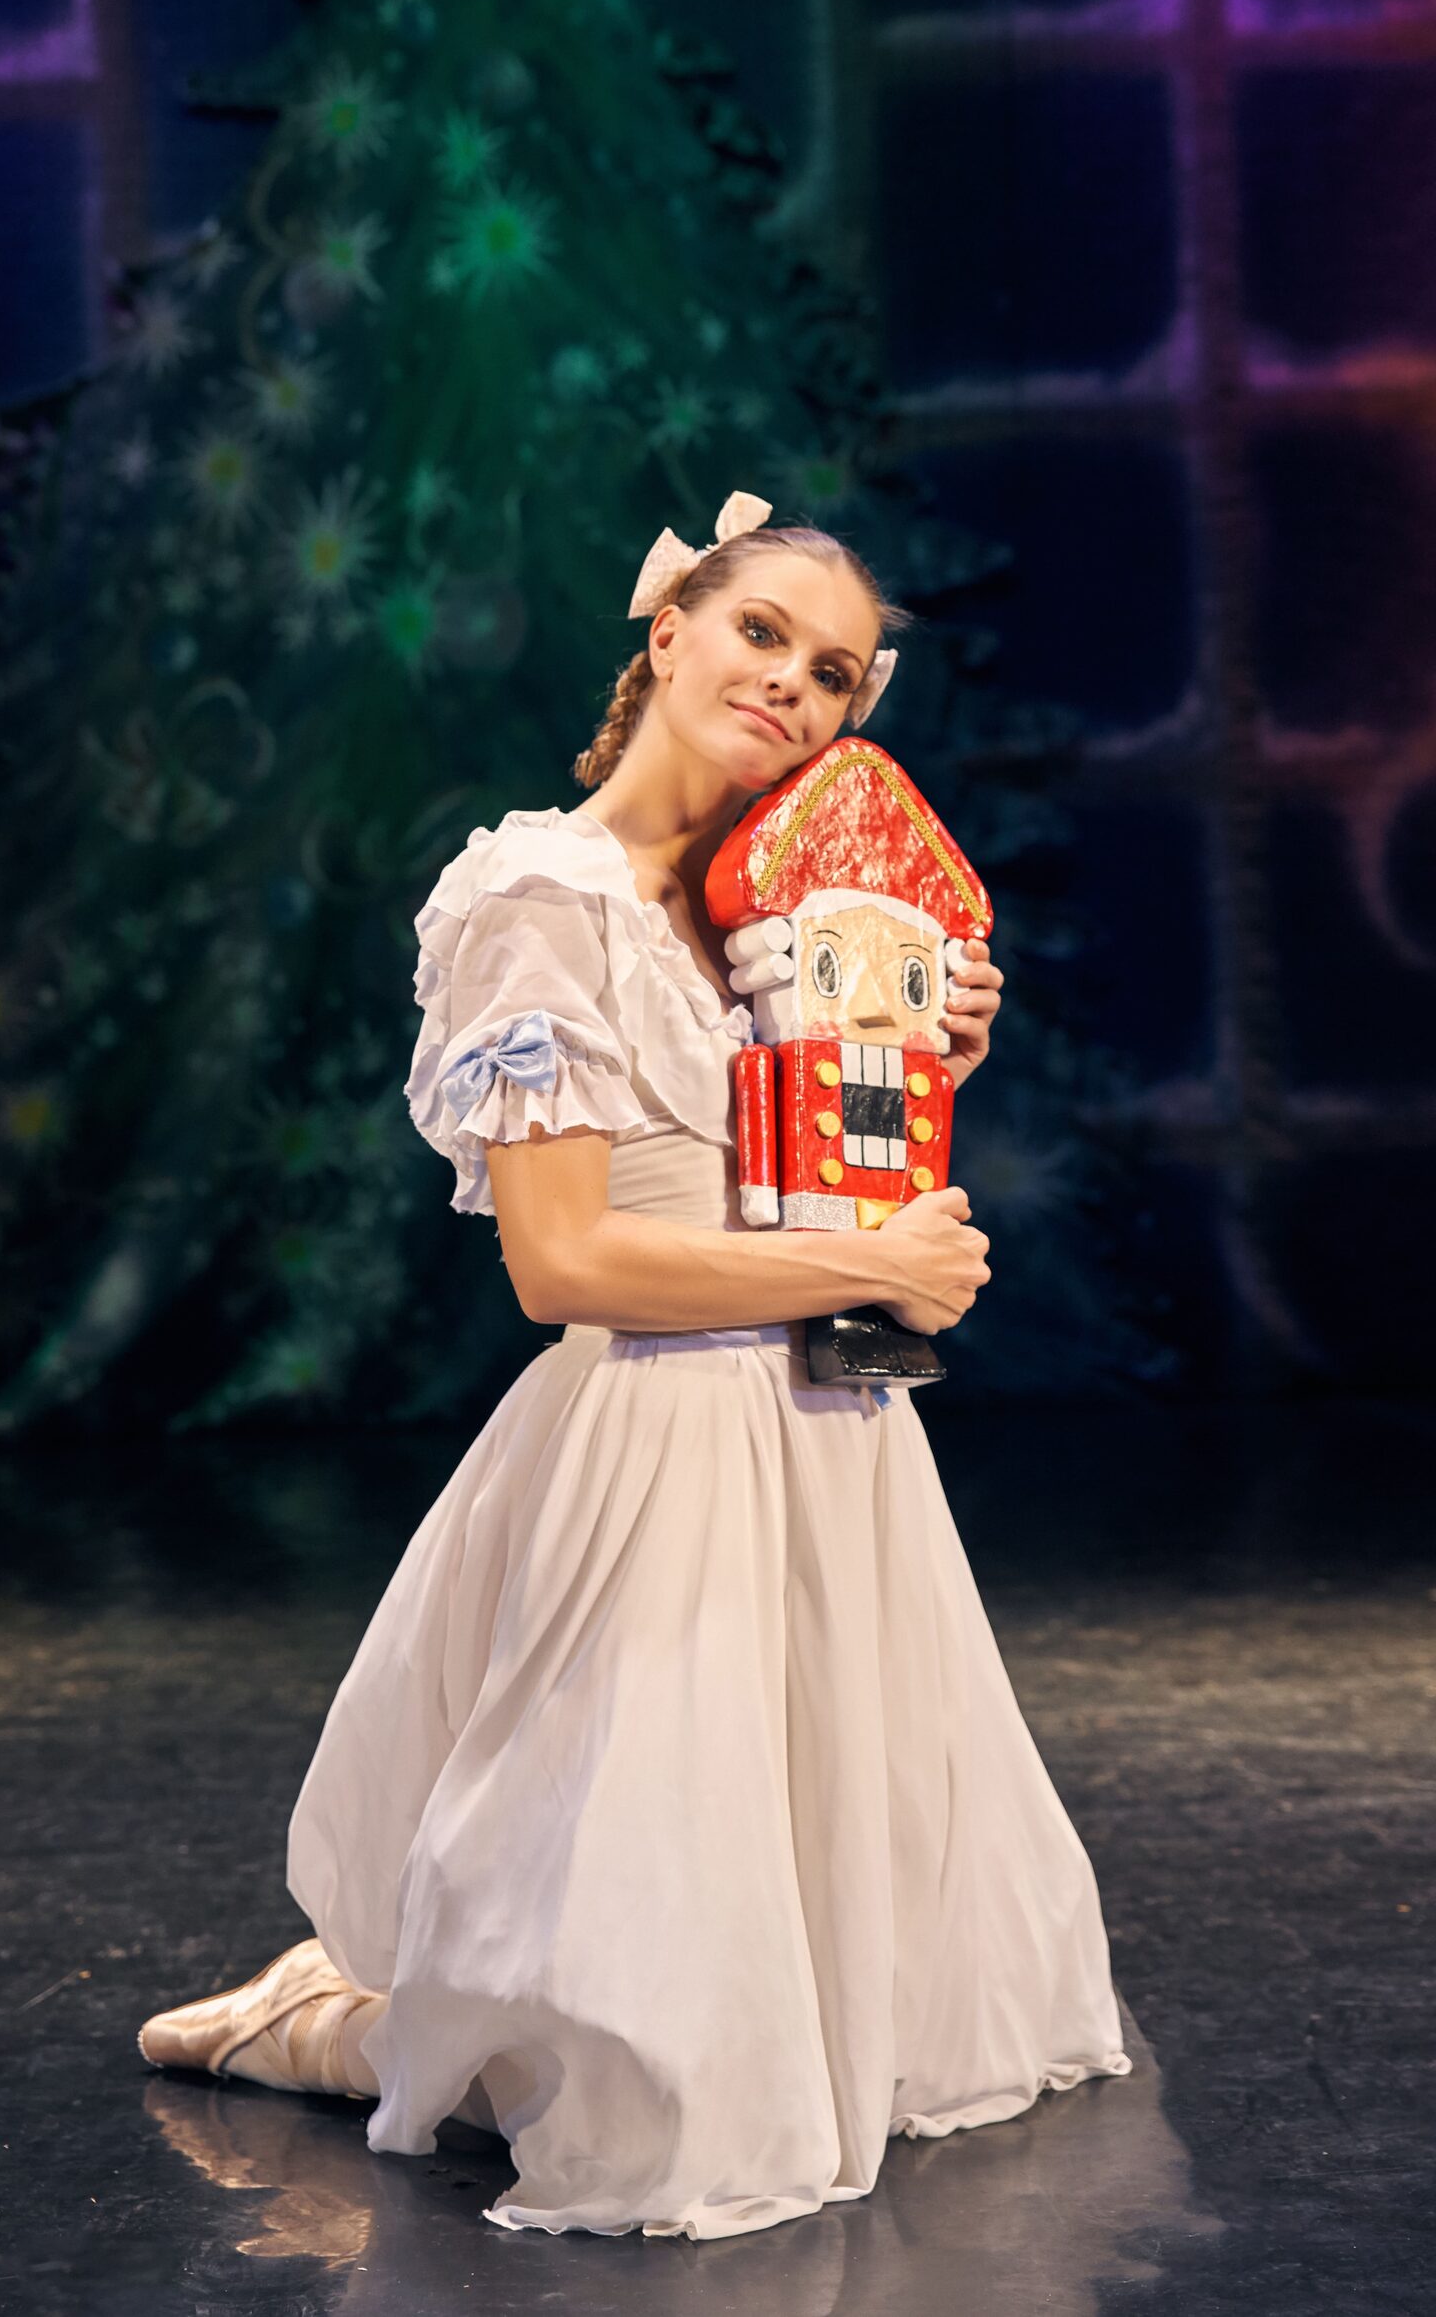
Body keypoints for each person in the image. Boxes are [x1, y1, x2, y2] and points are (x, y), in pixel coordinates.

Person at [136, 491, 1133, 2241]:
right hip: (663, 1440)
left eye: (835, 672)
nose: (794, 683)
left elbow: (817, 1176)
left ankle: (406, 2005)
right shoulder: (542, 895)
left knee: (845, 1971)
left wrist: (919, 1055)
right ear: (667, 634)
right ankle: (333, 2021)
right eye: (761, 632)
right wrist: (874, 1263)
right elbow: (566, 1263)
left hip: (830, 1441)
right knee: (644, 2055)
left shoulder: (786, 911)